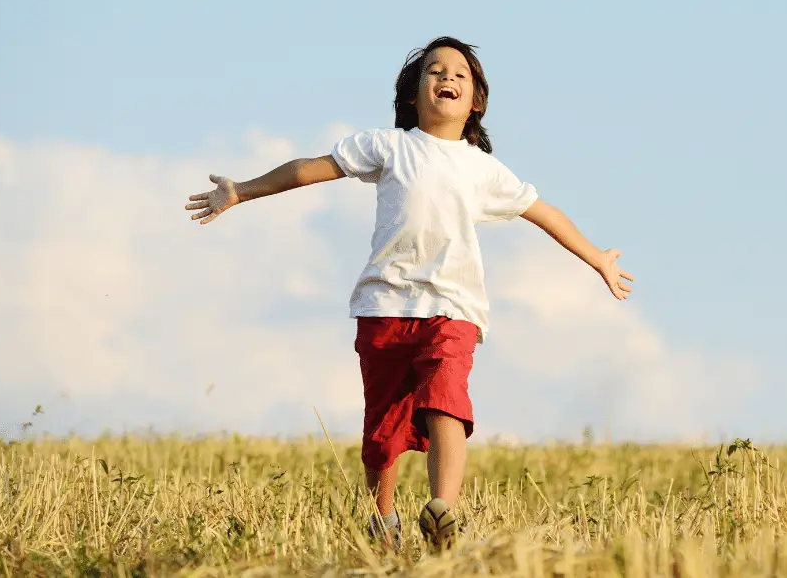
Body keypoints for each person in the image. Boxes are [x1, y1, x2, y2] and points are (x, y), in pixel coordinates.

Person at [185, 36, 634, 552]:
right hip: (384, 307)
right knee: (382, 432)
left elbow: (545, 212)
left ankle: (443, 511)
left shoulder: (483, 168)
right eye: (434, 71)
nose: (447, 78)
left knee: (447, 400)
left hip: (453, 308)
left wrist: (597, 257)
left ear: (476, 101)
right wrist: (241, 190)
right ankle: (383, 520)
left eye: (460, 75)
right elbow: (310, 169)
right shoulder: (389, 146)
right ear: (413, 94)